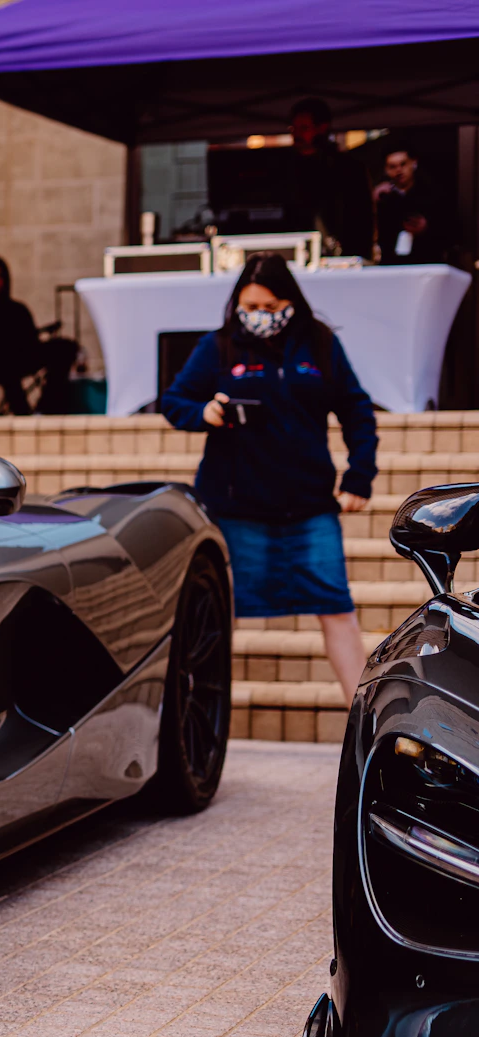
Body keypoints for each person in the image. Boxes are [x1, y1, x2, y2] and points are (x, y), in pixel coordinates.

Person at [160, 253, 377, 703]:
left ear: (290, 301)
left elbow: (356, 409)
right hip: (236, 510)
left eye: (270, 307)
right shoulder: (218, 347)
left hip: (310, 508)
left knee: (338, 611)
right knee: (219, 615)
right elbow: (175, 401)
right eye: (250, 307)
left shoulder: (321, 344)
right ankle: (199, 716)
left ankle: (364, 723)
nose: (260, 316)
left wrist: (359, 475)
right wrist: (204, 412)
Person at [0, 256, 80, 415]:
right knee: (6, 362)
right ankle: (23, 414)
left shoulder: (17, 309)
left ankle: (46, 409)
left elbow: (32, 341)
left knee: (65, 347)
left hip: (21, 356)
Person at [286, 98, 372, 258]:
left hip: (342, 254)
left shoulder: (347, 167)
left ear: (322, 128)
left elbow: (361, 218)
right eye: (293, 128)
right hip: (297, 250)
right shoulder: (286, 166)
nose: (296, 134)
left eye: (304, 128)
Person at [374, 144, 451, 264]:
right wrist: (373, 200)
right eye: (392, 166)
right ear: (386, 170)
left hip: (425, 262)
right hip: (391, 264)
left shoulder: (431, 193)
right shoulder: (382, 196)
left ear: (413, 163)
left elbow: (448, 230)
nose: (398, 170)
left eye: (403, 164)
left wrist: (426, 227)